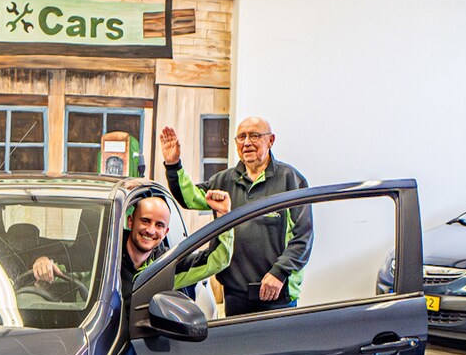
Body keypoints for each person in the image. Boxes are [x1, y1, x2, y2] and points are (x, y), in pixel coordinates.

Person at [160, 117, 312, 315]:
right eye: (241, 137)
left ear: (271, 140)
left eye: (254, 136)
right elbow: (191, 198)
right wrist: (173, 166)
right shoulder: (225, 180)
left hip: (277, 292)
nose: (247, 142)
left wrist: (280, 272)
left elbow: (303, 236)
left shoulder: (291, 180)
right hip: (235, 294)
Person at [33, 194, 232, 296]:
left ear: (166, 232)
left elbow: (218, 260)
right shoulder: (102, 254)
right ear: (130, 222)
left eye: (159, 225)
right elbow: (59, 270)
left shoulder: (167, 266)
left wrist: (224, 215)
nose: (151, 230)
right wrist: (43, 263)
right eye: (145, 221)